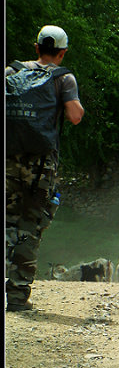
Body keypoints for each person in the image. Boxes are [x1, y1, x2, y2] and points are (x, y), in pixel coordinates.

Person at [5, 25, 84, 312]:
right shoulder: (64, 79)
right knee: (30, 225)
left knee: (6, 221)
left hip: (7, 159)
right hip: (40, 166)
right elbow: (75, 116)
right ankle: (16, 296)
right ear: (62, 53)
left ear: (36, 47)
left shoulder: (11, 72)